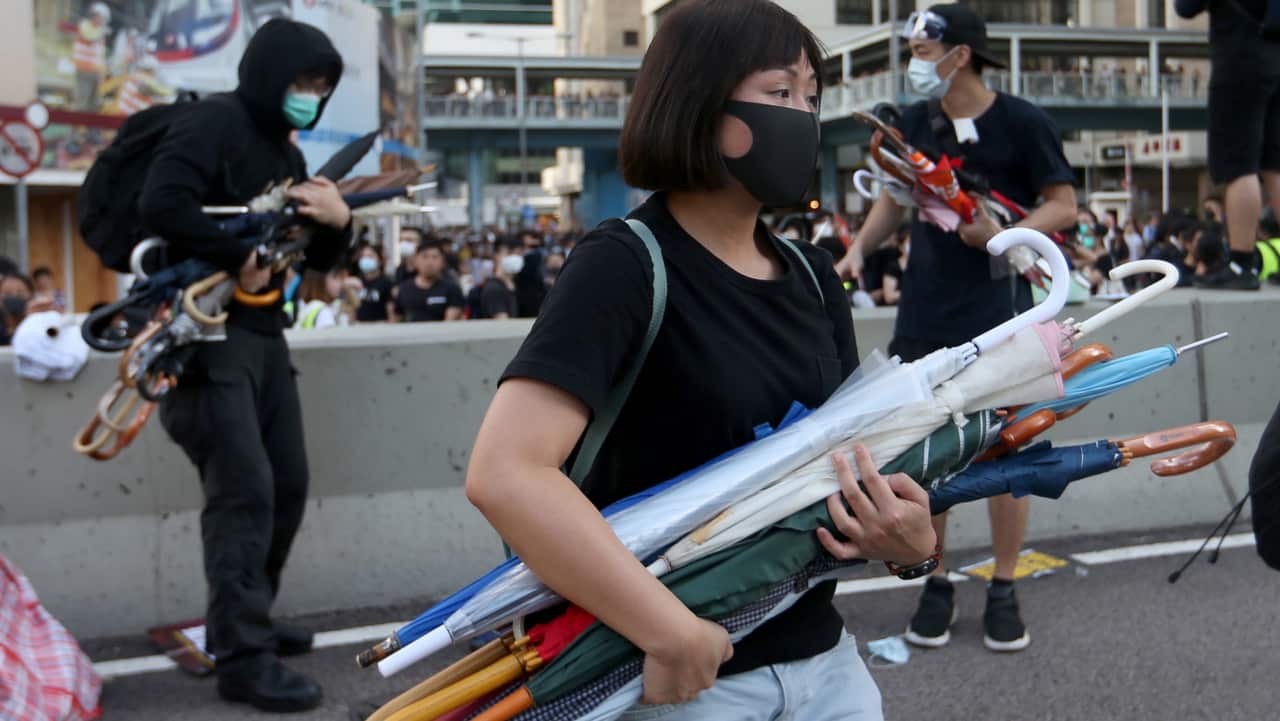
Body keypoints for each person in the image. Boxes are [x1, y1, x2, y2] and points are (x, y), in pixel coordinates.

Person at [465, 2, 937, 718]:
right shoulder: (623, 265)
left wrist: (913, 544)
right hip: (678, 679)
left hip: (828, 666)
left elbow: (851, 467)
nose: (805, 116)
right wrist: (668, 630)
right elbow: (506, 472)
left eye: (812, 96)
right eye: (780, 93)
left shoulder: (814, 275)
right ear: (697, 102)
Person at [842, 4, 1076, 653]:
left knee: (1010, 452)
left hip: (1008, 311)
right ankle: (935, 582)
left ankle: (1004, 584)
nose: (914, 59)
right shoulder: (913, 120)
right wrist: (859, 248)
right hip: (928, 310)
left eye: (922, 48)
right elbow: (896, 197)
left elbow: (1064, 201)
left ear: (960, 53)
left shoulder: (1024, 121)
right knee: (930, 458)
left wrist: (1005, 233)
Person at [136, 19, 351, 713]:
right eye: (302, 83)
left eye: (321, 88)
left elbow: (306, 262)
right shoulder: (213, 127)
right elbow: (160, 202)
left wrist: (335, 222)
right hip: (206, 337)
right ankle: (241, 658)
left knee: (286, 484)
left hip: (262, 333)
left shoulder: (287, 156)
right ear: (269, 75)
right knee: (244, 493)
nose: (311, 98)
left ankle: (247, 618)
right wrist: (234, 254)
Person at [1177, 0, 1280, 289]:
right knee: (1274, 166)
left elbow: (1185, 6)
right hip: (1275, 54)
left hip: (1240, 58)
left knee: (1240, 165)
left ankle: (1240, 264)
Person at [393, 239, 464, 322]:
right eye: (425, 257)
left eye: (435, 257)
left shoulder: (452, 289)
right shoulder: (404, 288)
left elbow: (450, 321)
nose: (430, 262)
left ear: (443, 261)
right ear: (416, 260)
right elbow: (398, 318)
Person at [72, 2, 111, 111]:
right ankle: (75, 127)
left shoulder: (100, 30)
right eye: (101, 17)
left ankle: (91, 127)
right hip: (84, 71)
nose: (102, 21)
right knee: (81, 102)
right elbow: (89, 38)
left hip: (96, 72)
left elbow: (100, 55)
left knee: (94, 103)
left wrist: (103, 72)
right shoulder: (84, 26)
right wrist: (103, 32)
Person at [472, 239, 521, 320]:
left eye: (518, 254)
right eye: (509, 253)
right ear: (497, 256)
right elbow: (503, 325)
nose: (514, 257)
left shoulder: (514, 285)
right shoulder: (494, 288)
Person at [353, 244, 394, 322]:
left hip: (380, 326)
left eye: (370, 256)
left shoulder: (387, 283)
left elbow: (391, 312)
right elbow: (352, 309)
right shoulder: (356, 282)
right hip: (359, 326)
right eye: (363, 256)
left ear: (380, 260)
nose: (365, 259)